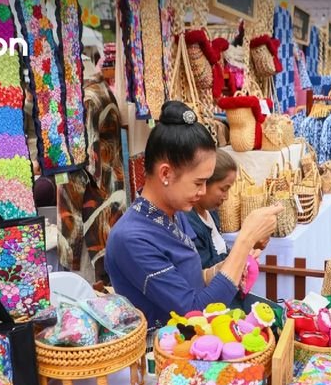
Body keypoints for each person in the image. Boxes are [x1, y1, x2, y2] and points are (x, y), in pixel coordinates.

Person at [105, 101, 281, 328]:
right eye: (198, 183)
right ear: (166, 174)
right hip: (163, 346)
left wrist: (227, 267)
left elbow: (192, 280)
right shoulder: (131, 239)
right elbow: (194, 312)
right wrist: (244, 241)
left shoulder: (173, 213)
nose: (203, 191)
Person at [186, 149, 238, 269]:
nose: (226, 197)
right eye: (223, 189)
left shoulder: (212, 212)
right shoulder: (189, 224)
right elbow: (205, 270)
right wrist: (244, 245)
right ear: (204, 183)